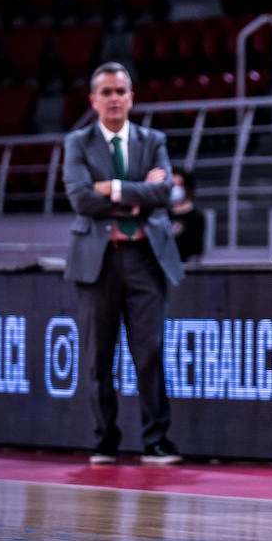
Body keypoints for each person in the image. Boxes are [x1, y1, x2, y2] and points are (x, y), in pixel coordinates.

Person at [63, 62, 184, 466]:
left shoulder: (154, 140)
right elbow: (81, 199)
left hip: (145, 257)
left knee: (149, 350)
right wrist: (138, 194)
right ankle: (105, 440)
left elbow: (165, 192)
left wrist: (113, 189)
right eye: (107, 92)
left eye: (121, 91)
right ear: (93, 100)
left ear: (131, 97)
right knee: (99, 356)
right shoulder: (77, 143)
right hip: (98, 261)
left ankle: (156, 440)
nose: (115, 98)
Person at [168, 169, 206, 262]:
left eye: (179, 185)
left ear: (187, 188)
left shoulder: (196, 217)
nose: (175, 189)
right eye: (172, 185)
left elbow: (197, 249)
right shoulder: (162, 215)